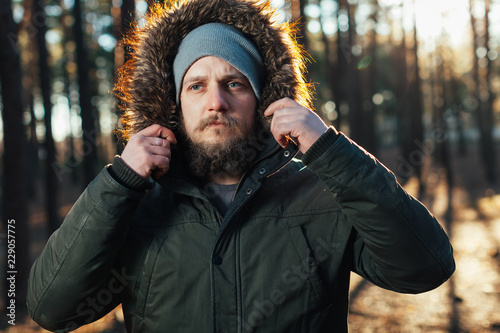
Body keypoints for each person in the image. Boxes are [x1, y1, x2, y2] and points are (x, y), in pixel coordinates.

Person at [27, 0, 455, 332]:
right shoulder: (135, 207)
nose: (216, 101)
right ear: (174, 105)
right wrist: (117, 184)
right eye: (196, 86)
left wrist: (331, 151)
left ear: (265, 101)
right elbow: (52, 309)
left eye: (234, 83)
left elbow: (424, 268)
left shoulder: (323, 193)